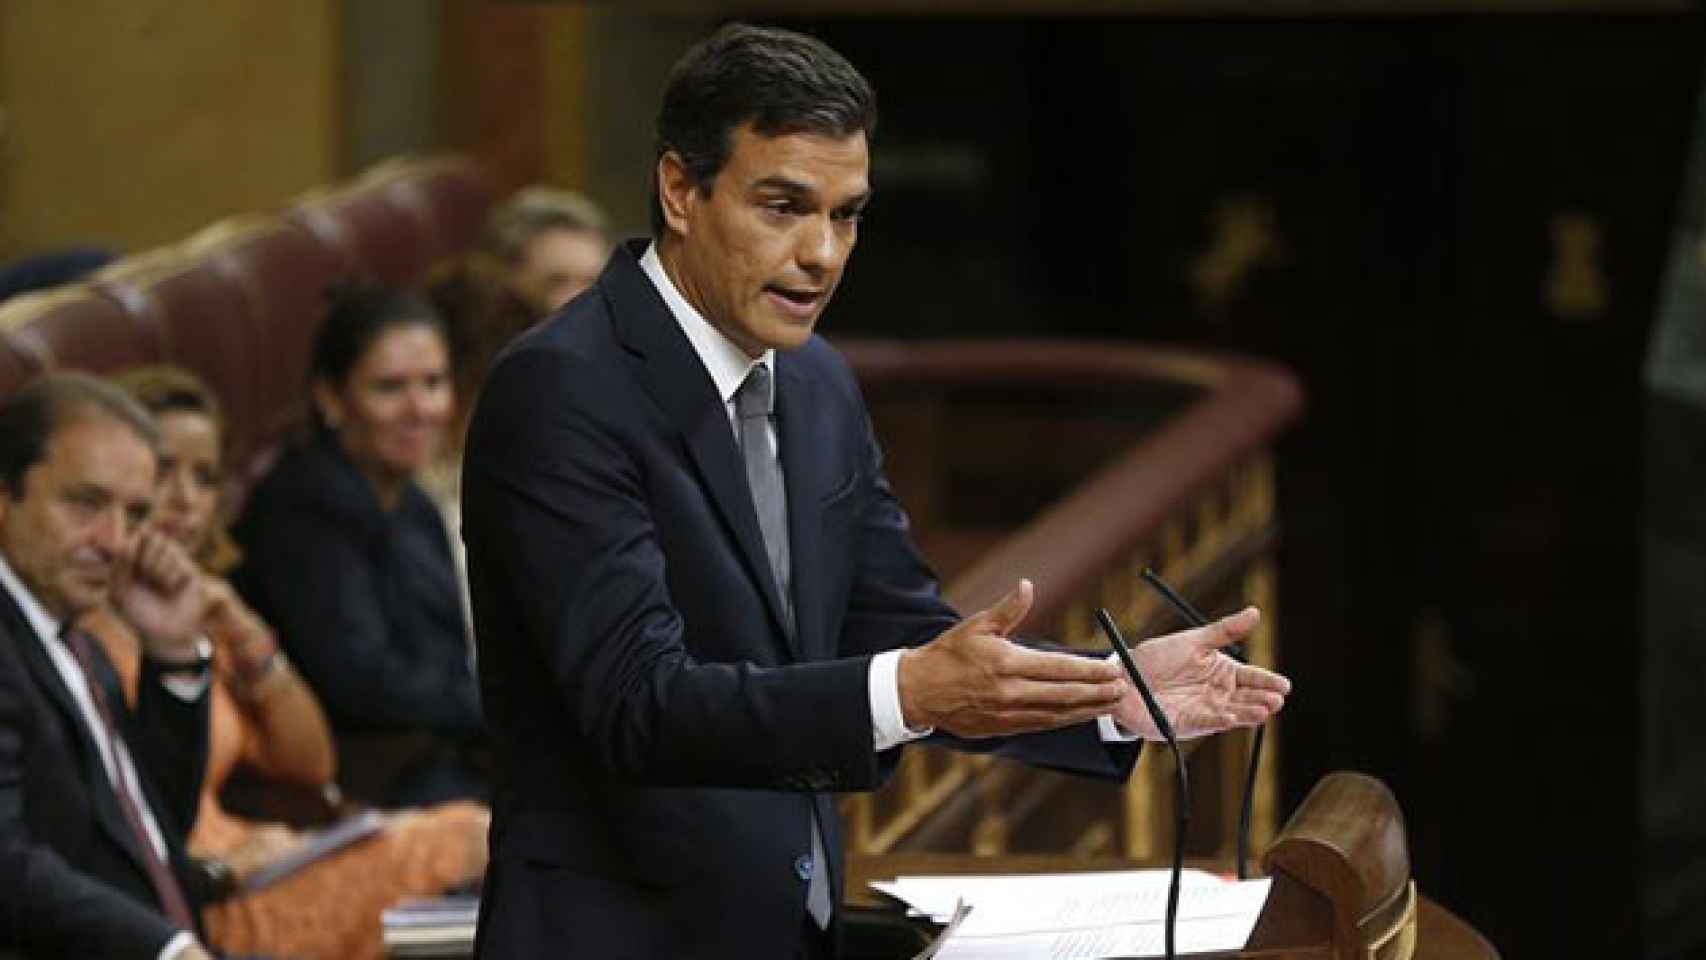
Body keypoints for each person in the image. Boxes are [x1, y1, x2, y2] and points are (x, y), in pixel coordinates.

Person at [462, 23, 1291, 959]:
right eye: (783, 207)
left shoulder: (817, 383)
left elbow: (895, 633)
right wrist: (911, 689)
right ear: (680, 191)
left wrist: (1107, 695)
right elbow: (638, 704)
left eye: (847, 214)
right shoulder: (563, 387)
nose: (822, 252)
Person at [84, 366, 489, 960]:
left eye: (204, 477)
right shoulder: (85, 635)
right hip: (210, 898)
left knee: (499, 842)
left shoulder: (194, 610)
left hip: (279, 857)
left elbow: (308, 762)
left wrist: (241, 631)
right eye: (162, 472)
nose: (183, 500)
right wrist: (220, 866)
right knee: (488, 846)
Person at [232, 284, 485, 808]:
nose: (420, 409)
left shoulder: (413, 502)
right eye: (390, 388)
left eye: (434, 384)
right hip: (365, 782)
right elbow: (362, 685)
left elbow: (447, 657)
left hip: (448, 754)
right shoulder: (300, 509)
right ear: (330, 397)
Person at [0, 373, 218, 959]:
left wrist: (172, 653)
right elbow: (6, 865)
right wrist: (166, 950)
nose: (116, 541)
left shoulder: (79, 645)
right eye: (86, 503)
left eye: (134, 514)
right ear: (5, 494)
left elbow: (150, 834)